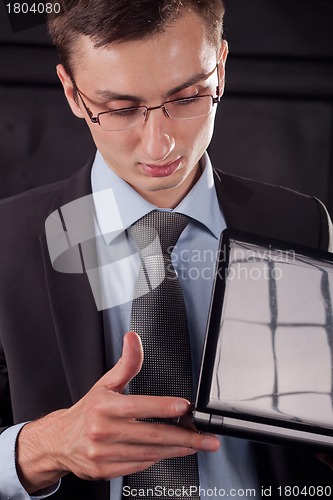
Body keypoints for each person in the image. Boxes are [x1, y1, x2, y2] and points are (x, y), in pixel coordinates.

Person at [0, 0, 332, 499]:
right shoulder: (6, 239)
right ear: (72, 91)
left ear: (220, 67)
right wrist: (42, 448)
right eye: (120, 108)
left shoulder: (302, 222)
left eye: (188, 96)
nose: (161, 147)